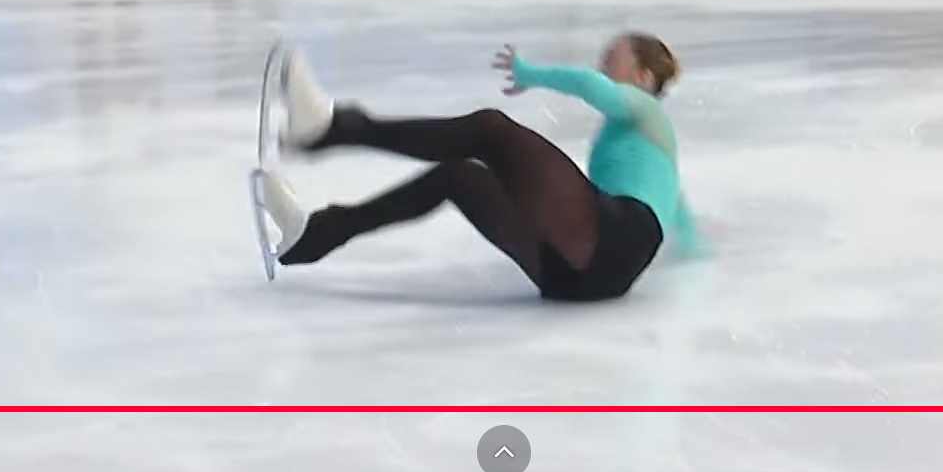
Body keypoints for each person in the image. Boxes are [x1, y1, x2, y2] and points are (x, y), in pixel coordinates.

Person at [253, 36, 698, 303]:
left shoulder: (647, 110)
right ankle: (314, 235)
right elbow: (678, 213)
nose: (601, 66)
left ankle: (332, 128)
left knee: (489, 129)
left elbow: (591, 87)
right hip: (574, 277)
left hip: (615, 238)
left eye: (612, 60)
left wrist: (531, 74)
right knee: (459, 177)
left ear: (643, 79)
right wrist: (700, 247)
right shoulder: (646, 151)